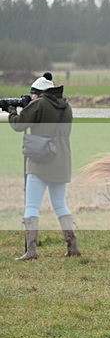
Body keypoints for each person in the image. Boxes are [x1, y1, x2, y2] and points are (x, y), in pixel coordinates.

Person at [6, 72, 80, 260]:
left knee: (32, 206)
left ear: (37, 93)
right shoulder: (66, 106)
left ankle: (31, 250)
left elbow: (18, 125)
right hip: (62, 161)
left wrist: (12, 110)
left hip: (40, 162)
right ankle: (73, 247)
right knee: (60, 205)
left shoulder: (39, 104)